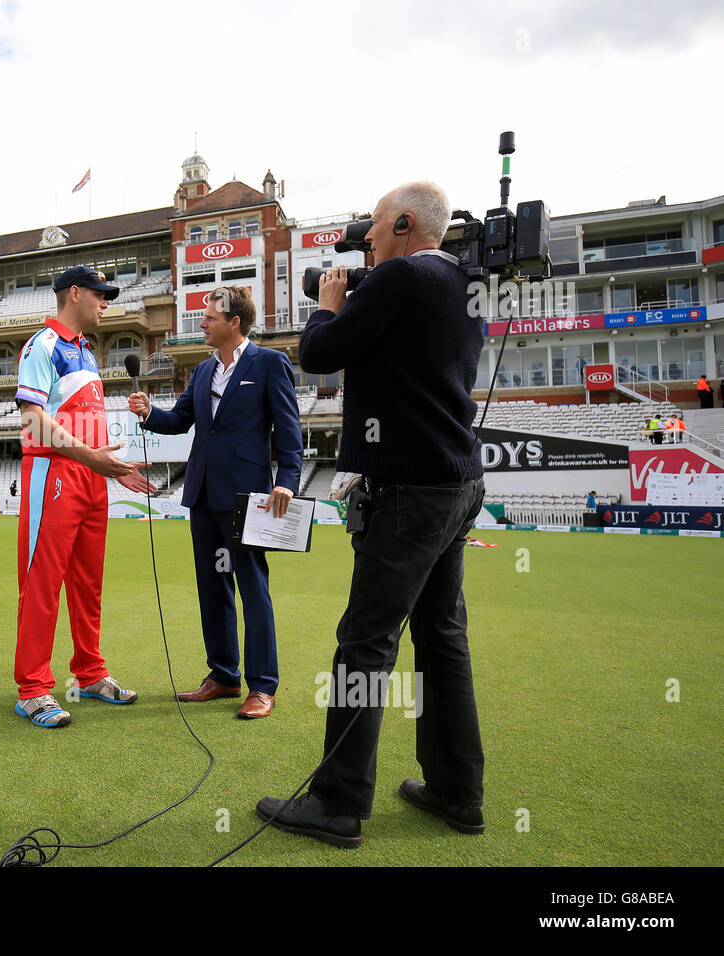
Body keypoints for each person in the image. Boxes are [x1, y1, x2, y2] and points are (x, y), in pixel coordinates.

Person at [255, 181, 487, 848]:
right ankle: (456, 792)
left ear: (406, 224)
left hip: (406, 489)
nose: (368, 240)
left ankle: (337, 802)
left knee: (366, 643)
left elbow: (318, 355)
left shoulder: (399, 279)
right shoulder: (464, 285)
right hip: (456, 482)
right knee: (443, 640)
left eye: (377, 229)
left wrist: (329, 305)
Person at [129, 285, 302, 719]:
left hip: (248, 496)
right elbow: (179, 420)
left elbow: (288, 426)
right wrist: (150, 413)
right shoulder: (203, 372)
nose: (202, 324)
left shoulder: (269, 363)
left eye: (209, 318)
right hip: (203, 493)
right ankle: (224, 676)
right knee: (212, 587)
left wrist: (288, 480)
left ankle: (263, 686)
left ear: (234, 322)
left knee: (252, 589)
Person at [12, 265, 156, 729]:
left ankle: (90, 673)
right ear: (74, 294)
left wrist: (111, 469)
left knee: (88, 584)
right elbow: (33, 421)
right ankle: (33, 689)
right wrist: (92, 461)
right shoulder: (42, 346)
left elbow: (85, 426)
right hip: (53, 476)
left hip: (92, 481)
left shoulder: (88, 354)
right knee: (42, 583)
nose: (105, 302)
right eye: (100, 294)